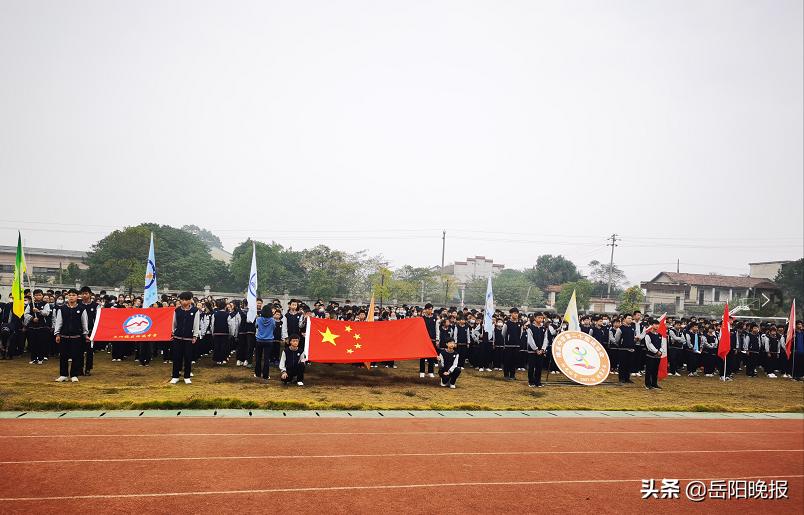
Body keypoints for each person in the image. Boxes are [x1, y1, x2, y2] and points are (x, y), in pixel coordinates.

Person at [53, 289, 88, 382]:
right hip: (64, 336)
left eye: (73, 295)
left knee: (76, 356)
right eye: (70, 295)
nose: (71, 297)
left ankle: (74, 375)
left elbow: (84, 322)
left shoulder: (81, 309)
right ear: (67, 297)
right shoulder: (62, 309)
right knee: (63, 356)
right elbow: (59, 322)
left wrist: (85, 334)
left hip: (77, 337)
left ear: (77, 297)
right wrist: (57, 334)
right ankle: (63, 375)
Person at [169, 291, 200, 384]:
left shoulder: (195, 311)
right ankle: (175, 376)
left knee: (188, 357)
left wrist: (195, 335)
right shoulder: (177, 310)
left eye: (186, 300)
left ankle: (187, 376)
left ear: (190, 300)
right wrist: (173, 332)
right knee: (176, 357)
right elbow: (174, 323)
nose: (183, 302)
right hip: (177, 337)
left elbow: (196, 324)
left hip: (189, 338)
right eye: (181, 300)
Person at [524, 312, 549, 388]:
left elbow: (546, 339)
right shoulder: (530, 328)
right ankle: (531, 382)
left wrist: (543, 349)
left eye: (542, 318)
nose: (540, 319)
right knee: (531, 367)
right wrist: (536, 349)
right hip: (532, 351)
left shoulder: (544, 328)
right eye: (539, 318)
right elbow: (530, 340)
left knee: (539, 367)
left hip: (541, 351)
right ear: (535, 318)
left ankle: (538, 382)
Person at [78, 287, 98, 375]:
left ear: (90, 294)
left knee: (90, 351)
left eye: (86, 293)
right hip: (79, 331)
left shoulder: (95, 306)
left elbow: (98, 319)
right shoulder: (78, 305)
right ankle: (79, 368)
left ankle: (88, 368)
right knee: (79, 351)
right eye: (82, 294)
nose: (84, 295)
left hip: (91, 331)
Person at [254, 305, 275, 380]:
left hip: (259, 340)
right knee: (266, 359)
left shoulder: (258, 319)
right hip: (269, 341)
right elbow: (273, 327)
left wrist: (257, 318)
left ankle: (257, 374)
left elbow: (256, 326)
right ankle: (266, 375)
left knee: (258, 358)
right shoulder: (272, 320)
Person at [501, 308, 522, 381]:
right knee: (507, 361)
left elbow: (520, 334)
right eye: (514, 313)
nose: (516, 315)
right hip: (508, 346)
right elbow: (503, 334)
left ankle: (512, 375)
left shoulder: (520, 324)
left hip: (516, 346)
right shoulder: (507, 324)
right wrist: (507, 340)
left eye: (517, 313)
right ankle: (506, 375)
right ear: (511, 314)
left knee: (514, 361)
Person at [613, 314, 635, 384]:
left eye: (631, 318)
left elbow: (633, 338)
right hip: (623, 349)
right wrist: (621, 345)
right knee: (622, 364)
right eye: (628, 318)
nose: (630, 320)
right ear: (624, 319)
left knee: (629, 364)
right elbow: (616, 339)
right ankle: (621, 378)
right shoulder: (620, 328)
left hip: (631, 349)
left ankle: (627, 378)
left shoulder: (632, 328)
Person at [643, 318, 664, 390]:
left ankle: (654, 384)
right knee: (649, 370)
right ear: (651, 325)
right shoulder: (648, 335)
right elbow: (649, 345)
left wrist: (660, 351)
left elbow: (662, 344)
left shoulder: (660, 335)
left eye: (658, 324)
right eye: (655, 324)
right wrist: (656, 351)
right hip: (650, 355)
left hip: (658, 356)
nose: (657, 326)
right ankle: (647, 384)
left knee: (655, 370)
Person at [419, 303, 437, 378]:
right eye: (429, 309)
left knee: (431, 356)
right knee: (422, 355)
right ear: (425, 309)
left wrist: (437, 338)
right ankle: (422, 371)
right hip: (423, 339)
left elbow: (437, 329)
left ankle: (430, 371)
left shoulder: (435, 318)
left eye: (431, 309)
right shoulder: (422, 318)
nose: (430, 310)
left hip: (432, 339)